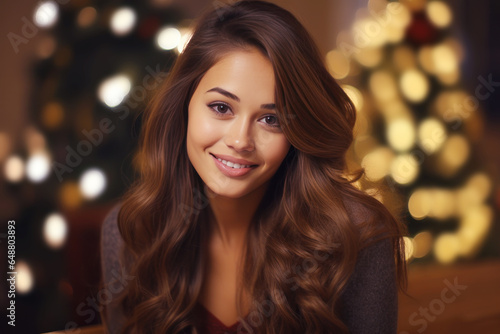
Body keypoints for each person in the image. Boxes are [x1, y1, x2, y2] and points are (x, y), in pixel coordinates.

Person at [100, 1, 407, 333]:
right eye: (221, 107)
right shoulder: (131, 231)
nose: (240, 140)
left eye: (271, 119)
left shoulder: (358, 236)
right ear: (184, 105)